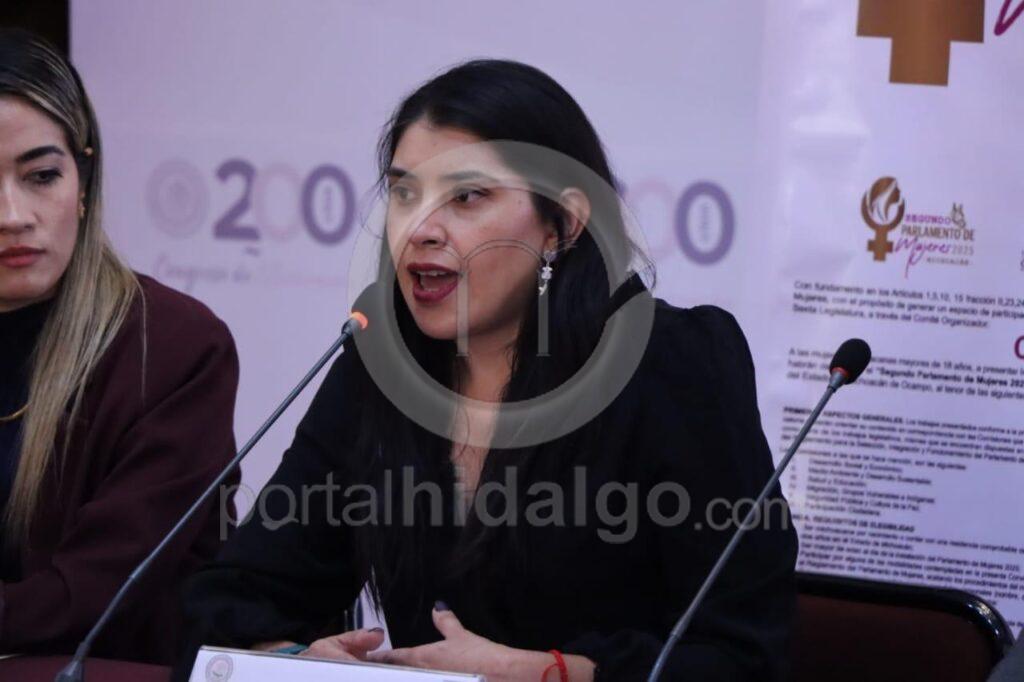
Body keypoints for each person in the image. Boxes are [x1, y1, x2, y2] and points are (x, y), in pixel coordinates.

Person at [180, 59, 797, 681]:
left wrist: (549, 673)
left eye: (466, 197)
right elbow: (230, 599)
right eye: (404, 194)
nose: (420, 230)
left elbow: (743, 657)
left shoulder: (671, 365)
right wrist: (294, 661)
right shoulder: (381, 364)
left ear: (562, 224)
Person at [0, 29, 239, 664]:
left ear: (83, 182)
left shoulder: (176, 347)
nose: (13, 215)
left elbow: (94, 597)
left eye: (42, 176)